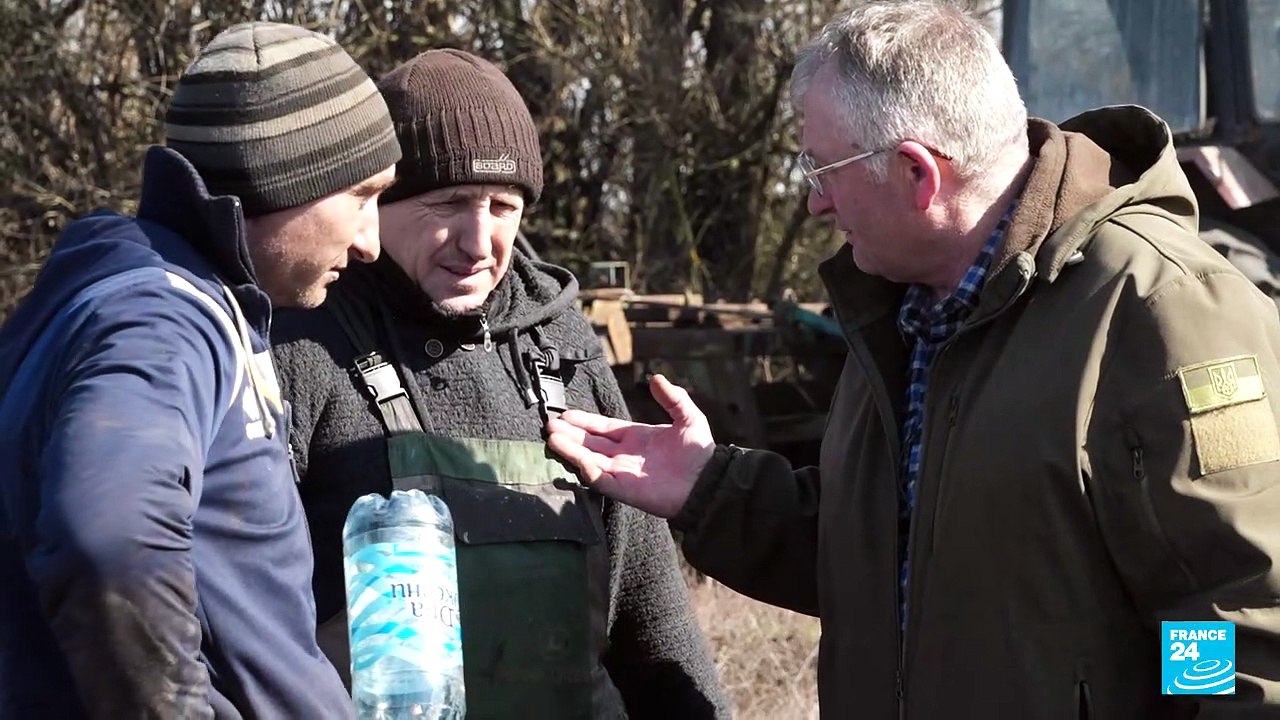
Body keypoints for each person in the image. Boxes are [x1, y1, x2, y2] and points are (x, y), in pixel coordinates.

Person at [545, 2, 1280, 718]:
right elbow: (901, 556)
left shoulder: (1156, 306)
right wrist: (708, 488)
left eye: (820, 169)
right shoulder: (904, 311)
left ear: (916, 173)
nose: (814, 205)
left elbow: (1228, 616)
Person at [270, 48, 729, 719]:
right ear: (373, 206)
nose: (478, 239)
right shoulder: (302, 345)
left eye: (503, 206)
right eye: (448, 203)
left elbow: (648, 611)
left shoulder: (560, 345)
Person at [0, 22, 400, 718]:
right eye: (361, 195)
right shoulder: (164, 317)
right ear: (284, 177)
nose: (370, 241)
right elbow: (109, 539)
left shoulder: (130, 293)